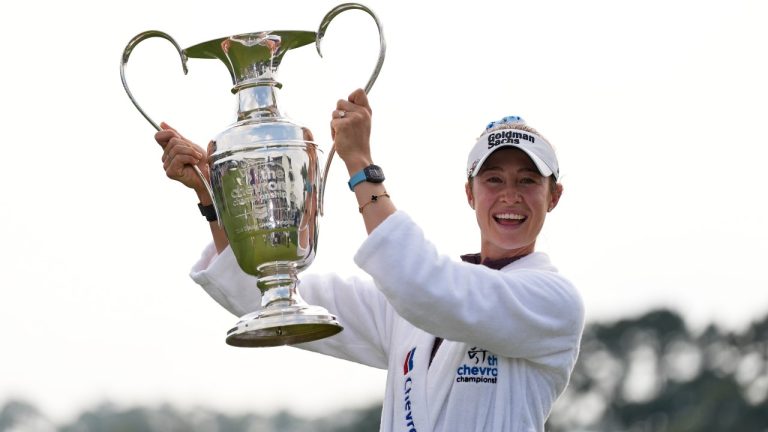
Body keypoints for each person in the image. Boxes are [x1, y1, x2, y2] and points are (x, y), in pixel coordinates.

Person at [154, 89, 585, 431]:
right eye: (494, 179)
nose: (510, 196)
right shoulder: (409, 306)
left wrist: (361, 165)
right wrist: (214, 200)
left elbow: (425, 285)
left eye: (528, 180)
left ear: (555, 196)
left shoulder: (552, 301)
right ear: (470, 193)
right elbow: (273, 301)